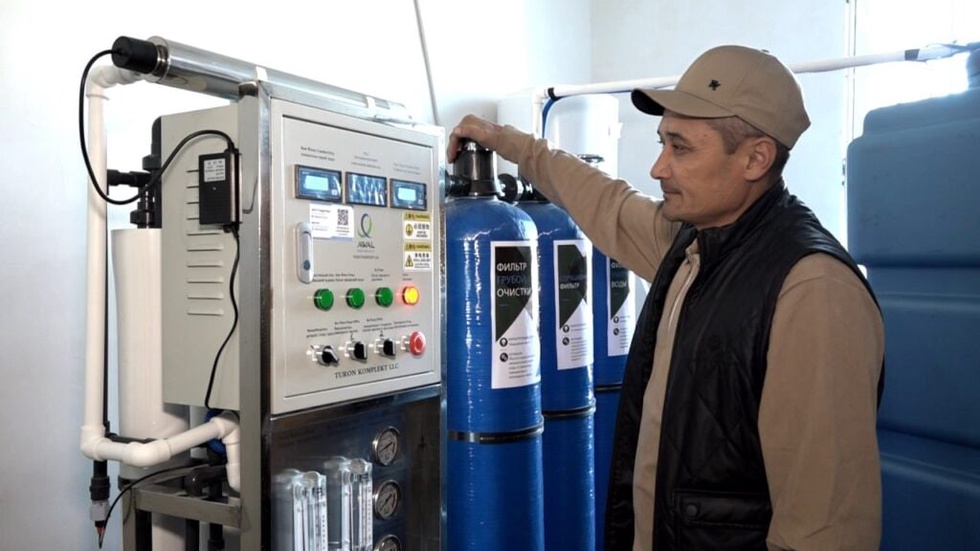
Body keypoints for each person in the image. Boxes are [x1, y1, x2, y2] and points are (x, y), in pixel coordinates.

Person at [446, 45, 884, 550]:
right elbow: (606, 201)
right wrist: (507, 142)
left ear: (755, 158)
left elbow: (826, 529)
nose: (658, 168)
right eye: (662, 143)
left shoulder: (811, 291)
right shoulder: (692, 246)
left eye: (681, 148)